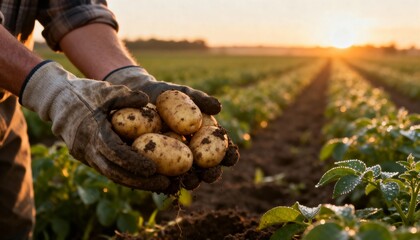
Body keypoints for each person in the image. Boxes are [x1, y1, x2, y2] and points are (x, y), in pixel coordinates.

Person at [0, 1, 239, 239]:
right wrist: (51, 91)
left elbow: (74, 9)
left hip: (5, 113)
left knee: (14, 226)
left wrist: (127, 78)